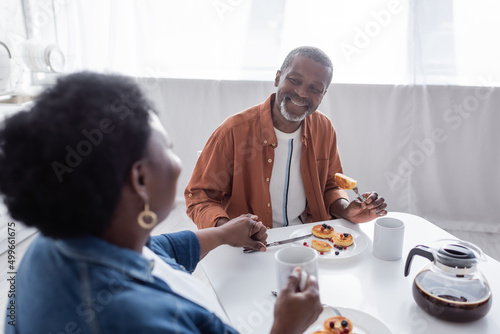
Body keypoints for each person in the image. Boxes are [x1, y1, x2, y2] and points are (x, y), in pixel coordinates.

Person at [0, 72, 323, 334]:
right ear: (140, 180)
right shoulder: (134, 320)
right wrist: (286, 328)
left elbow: (152, 250)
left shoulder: (59, 241)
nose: (179, 162)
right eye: (168, 148)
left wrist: (222, 234)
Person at [185, 46, 387, 229]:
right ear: (277, 78)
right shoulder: (233, 131)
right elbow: (200, 199)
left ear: (323, 94)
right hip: (248, 246)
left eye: (314, 88)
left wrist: (346, 209)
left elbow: (329, 185)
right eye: (295, 80)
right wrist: (226, 228)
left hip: (306, 235)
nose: (301, 92)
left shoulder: (323, 128)